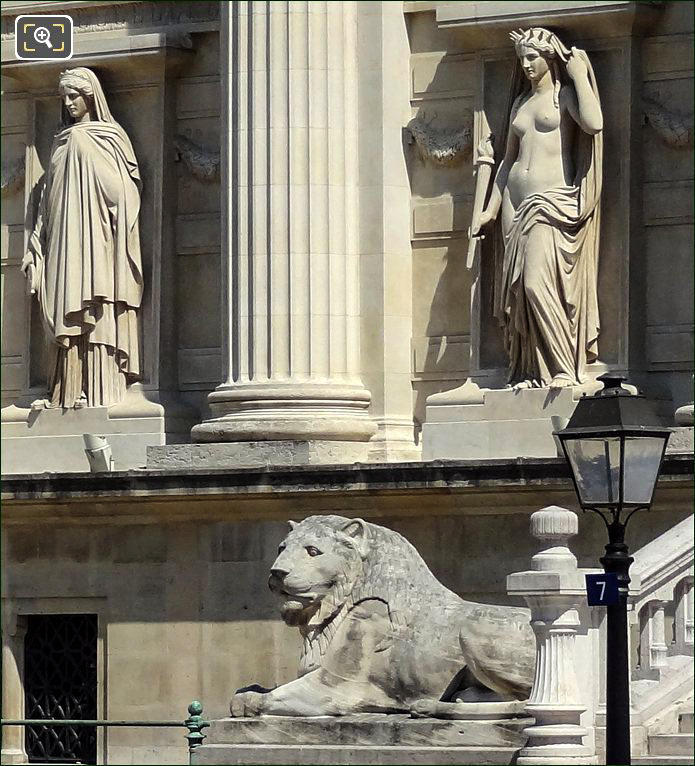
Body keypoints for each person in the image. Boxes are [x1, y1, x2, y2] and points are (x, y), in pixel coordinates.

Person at [473, 28, 603, 389]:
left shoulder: (564, 98)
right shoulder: (520, 103)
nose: (527, 64)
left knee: (535, 285)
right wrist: (491, 209)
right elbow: (506, 162)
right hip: (515, 204)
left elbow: (594, 124)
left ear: (549, 59)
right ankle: (534, 370)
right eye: (523, 58)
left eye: (533, 57)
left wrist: (579, 76)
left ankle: (564, 367)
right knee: (519, 292)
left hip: (550, 202)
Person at [22, 67, 143, 408]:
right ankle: (63, 390)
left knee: (92, 302)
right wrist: (35, 245)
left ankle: (98, 389)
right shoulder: (60, 141)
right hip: (61, 239)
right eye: (64, 98)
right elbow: (47, 200)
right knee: (62, 305)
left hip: (94, 239)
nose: (69, 103)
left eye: (74, 96)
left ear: (90, 98)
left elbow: (122, 192)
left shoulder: (106, 137)